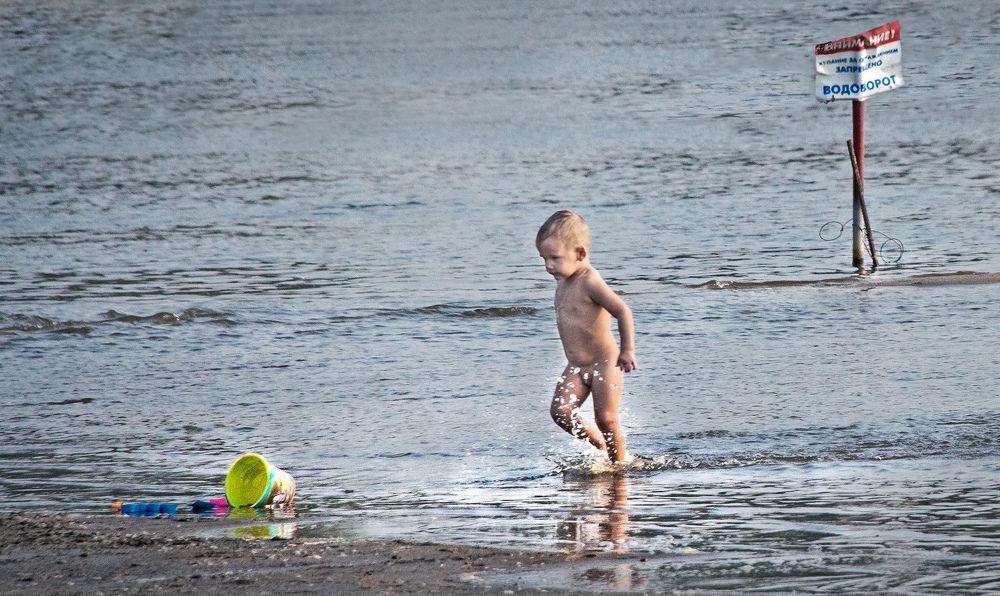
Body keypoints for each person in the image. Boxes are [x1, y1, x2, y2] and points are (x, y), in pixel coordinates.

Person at [536, 210, 637, 463]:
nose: (548, 265)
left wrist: (627, 350)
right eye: (544, 258)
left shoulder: (590, 281)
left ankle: (619, 466)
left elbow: (622, 311)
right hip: (576, 366)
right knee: (561, 413)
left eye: (555, 258)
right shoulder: (563, 278)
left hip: (605, 363)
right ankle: (601, 447)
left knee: (606, 418)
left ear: (580, 254)